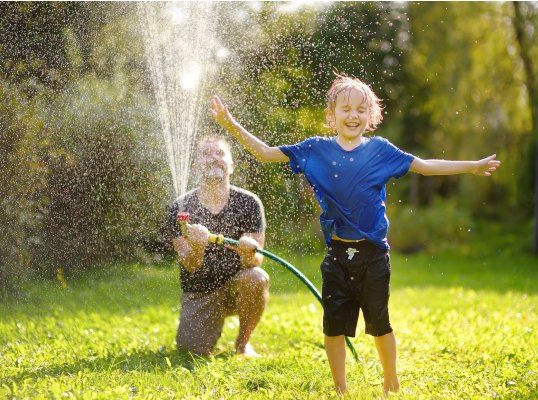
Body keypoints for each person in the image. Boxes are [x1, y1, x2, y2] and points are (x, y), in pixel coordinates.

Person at [209, 73, 501, 395]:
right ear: (331, 115)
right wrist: (230, 123)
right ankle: (340, 388)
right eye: (345, 109)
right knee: (334, 327)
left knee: (380, 324)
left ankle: (391, 382)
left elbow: (425, 166)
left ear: (371, 116)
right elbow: (265, 152)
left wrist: (472, 165)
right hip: (337, 254)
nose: (353, 116)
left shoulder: (381, 151)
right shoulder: (314, 150)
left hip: (373, 254)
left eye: (361, 110)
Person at [163, 135, 269, 358]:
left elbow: (255, 261)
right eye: (206, 154)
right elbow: (190, 265)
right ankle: (207, 323)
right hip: (200, 290)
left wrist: (247, 251)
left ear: (231, 165)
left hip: (237, 286)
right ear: (195, 167)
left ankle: (243, 344)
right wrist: (198, 246)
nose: (213, 159)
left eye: (220, 153)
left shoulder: (249, 203)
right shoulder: (180, 208)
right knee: (191, 352)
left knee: (256, 278)